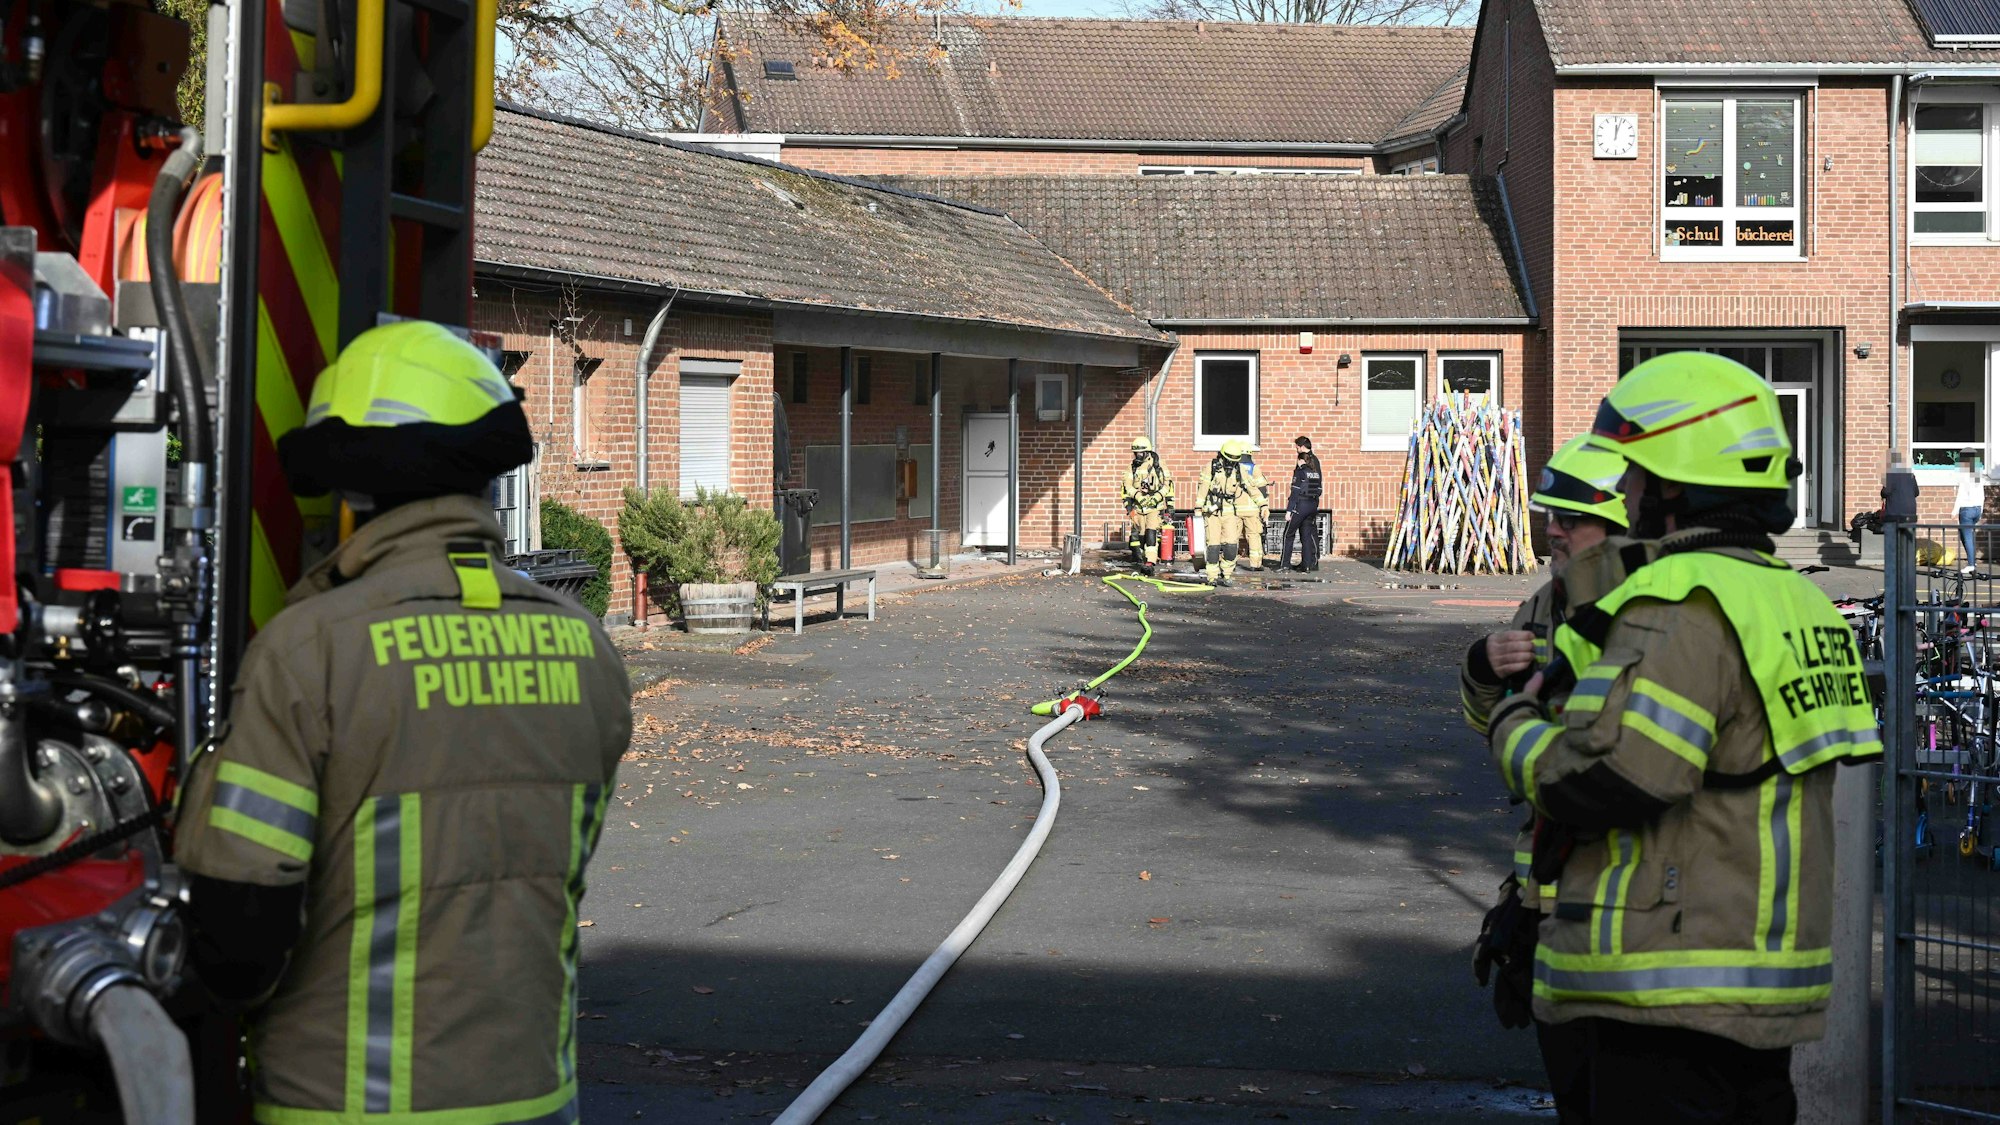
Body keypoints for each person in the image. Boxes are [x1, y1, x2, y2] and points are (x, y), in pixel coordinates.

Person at [174, 320, 634, 1122]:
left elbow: (241, 931)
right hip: (539, 1095)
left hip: (350, 1104)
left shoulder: (311, 649)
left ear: (353, 490)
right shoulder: (584, 646)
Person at [1487, 352, 1880, 1123]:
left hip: (1666, 981)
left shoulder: (1682, 599)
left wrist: (1514, 730)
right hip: (1760, 979)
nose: (1625, 493)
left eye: (1636, 476)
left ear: (1677, 484)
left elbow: (1613, 775)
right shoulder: (1798, 600)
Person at [1463, 435, 1628, 1125]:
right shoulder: (1543, 603)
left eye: (1571, 516)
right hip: (1552, 901)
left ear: (1625, 523)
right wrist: (1481, 671)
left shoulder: (1662, 613)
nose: (1552, 528)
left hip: (1634, 915)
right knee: (1577, 1094)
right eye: (1548, 513)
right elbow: (1494, 727)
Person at [1198, 438, 1261, 586]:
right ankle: (1212, 577)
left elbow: (1251, 488)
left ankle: (1226, 573)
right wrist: (1198, 508)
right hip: (1212, 512)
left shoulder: (1239, 470)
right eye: (1229, 461)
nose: (1231, 465)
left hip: (1230, 511)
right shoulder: (1210, 467)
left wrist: (1262, 504)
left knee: (1232, 545)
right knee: (1213, 545)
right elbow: (1202, 489)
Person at [1121, 435, 1175, 574]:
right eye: (1135, 453)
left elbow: (1167, 485)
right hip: (1138, 507)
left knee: (1151, 533)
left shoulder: (1159, 466)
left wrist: (1160, 499)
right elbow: (1127, 486)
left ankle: (1150, 562)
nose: (1137, 455)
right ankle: (1144, 558)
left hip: (1154, 507)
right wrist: (1137, 498)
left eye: (1140, 453)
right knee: (1142, 535)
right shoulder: (1131, 468)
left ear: (1146, 452)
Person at [1279, 436, 1324, 571]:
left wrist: (1290, 509)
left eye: (1297, 447)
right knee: (1306, 533)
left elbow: (1296, 489)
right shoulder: (1313, 463)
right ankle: (1308, 564)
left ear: (1302, 446)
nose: (1296, 450)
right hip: (1312, 503)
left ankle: (1288, 564)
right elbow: (1318, 485)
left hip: (1302, 503)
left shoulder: (1306, 464)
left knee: (1294, 534)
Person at [1238, 448, 1272, 571]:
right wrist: (1264, 507)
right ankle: (1255, 564)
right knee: (1254, 536)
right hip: (1252, 508)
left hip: (1235, 509)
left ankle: (1228, 566)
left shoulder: (1233, 468)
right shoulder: (1254, 468)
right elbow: (1262, 489)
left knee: (1231, 537)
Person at [1956, 449, 1984, 574]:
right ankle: (1972, 561)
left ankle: (1971, 564)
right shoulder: (1978, 473)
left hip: (1967, 509)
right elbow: (1982, 494)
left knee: (1966, 536)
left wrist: (1954, 510)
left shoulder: (1965, 474)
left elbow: (1961, 494)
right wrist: (1981, 510)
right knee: (1967, 535)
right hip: (1977, 508)